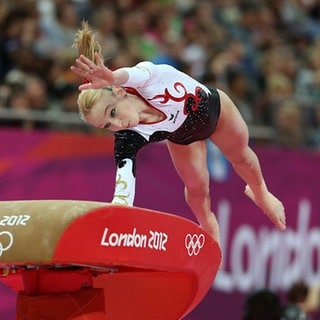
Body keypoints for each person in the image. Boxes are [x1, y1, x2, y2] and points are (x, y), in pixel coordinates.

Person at [70, 22, 286, 244]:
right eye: (107, 125)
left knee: (240, 156)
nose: (116, 124)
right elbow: (123, 184)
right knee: (197, 187)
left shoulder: (148, 78)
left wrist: (113, 77)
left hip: (217, 112)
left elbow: (132, 75)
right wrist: (119, 210)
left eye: (112, 112)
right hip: (183, 138)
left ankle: (260, 193)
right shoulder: (129, 135)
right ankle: (208, 225)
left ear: (119, 92)